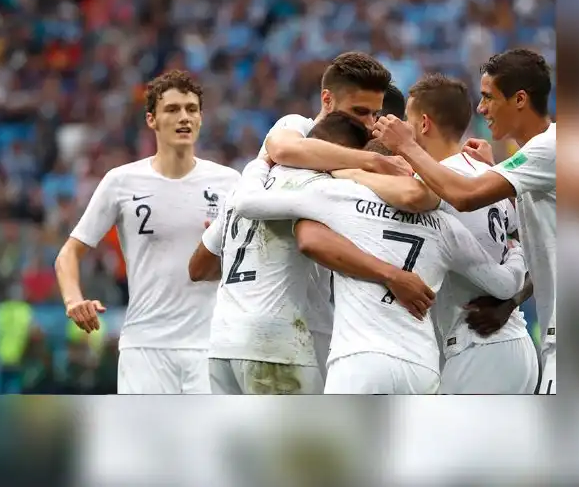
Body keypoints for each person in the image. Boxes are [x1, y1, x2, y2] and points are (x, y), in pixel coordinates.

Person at [230, 134, 527, 394]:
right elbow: (505, 285)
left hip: (359, 361)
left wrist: (260, 164)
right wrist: (515, 249)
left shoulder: (339, 196)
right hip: (420, 366)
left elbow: (248, 204)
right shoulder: (444, 225)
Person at [189, 112, 436, 394]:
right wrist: (392, 275)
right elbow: (312, 240)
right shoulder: (319, 188)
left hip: (222, 346)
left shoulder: (248, 183)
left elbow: (197, 268)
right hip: (274, 346)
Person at [372, 48, 556, 394]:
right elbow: (536, 246)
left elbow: (464, 196)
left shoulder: (549, 147)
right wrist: (512, 302)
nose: (481, 108)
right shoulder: (504, 171)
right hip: (520, 343)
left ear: (519, 99)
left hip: (481, 346)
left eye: (488, 97)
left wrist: (404, 149)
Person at [55, 70, 240, 394]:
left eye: (191, 109)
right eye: (172, 109)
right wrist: (73, 300)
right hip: (145, 347)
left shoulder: (230, 183)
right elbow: (69, 252)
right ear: (151, 120)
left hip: (212, 347)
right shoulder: (121, 181)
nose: (184, 117)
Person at [256, 52, 429, 378]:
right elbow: (283, 149)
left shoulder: (363, 155)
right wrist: (372, 163)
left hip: (320, 320)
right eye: (359, 112)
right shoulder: (298, 126)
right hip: (279, 323)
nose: (368, 123)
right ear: (327, 99)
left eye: (374, 114)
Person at [401, 74, 537, 393]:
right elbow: (533, 248)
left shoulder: (438, 186)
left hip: (478, 347)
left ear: (423, 123)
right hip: (511, 344)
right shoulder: (489, 177)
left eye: (406, 119)